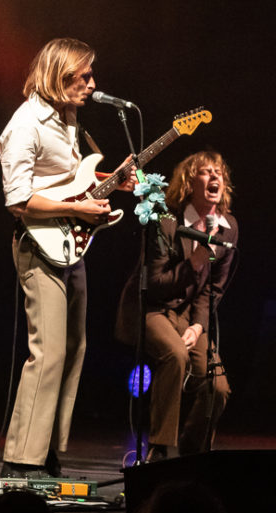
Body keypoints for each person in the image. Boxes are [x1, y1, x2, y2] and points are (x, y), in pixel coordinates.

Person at [0, 37, 135, 478]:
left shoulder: (68, 118)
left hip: (70, 243)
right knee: (49, 351)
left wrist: (110, 180)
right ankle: (22, 459)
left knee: (74, 349)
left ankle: (48, 451)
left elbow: (66, 179)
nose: (92, 84)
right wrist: (77, 210)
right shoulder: (26, 124)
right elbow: (18, 199)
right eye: (84, 75)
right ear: (59, 76)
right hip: (37, 245)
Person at [116, 151, 238, 461]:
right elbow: (155, 282)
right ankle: (159, 450)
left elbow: (212, 288)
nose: (215, 176)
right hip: (150, 307)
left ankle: (193, 454)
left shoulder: (228, 227)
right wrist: (196, 259)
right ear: (189, 182)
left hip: (186, 314)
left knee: (217, 385)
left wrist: (197, 326)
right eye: (206, 172)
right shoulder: (166, 221)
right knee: (175, 354)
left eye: (219, 172)